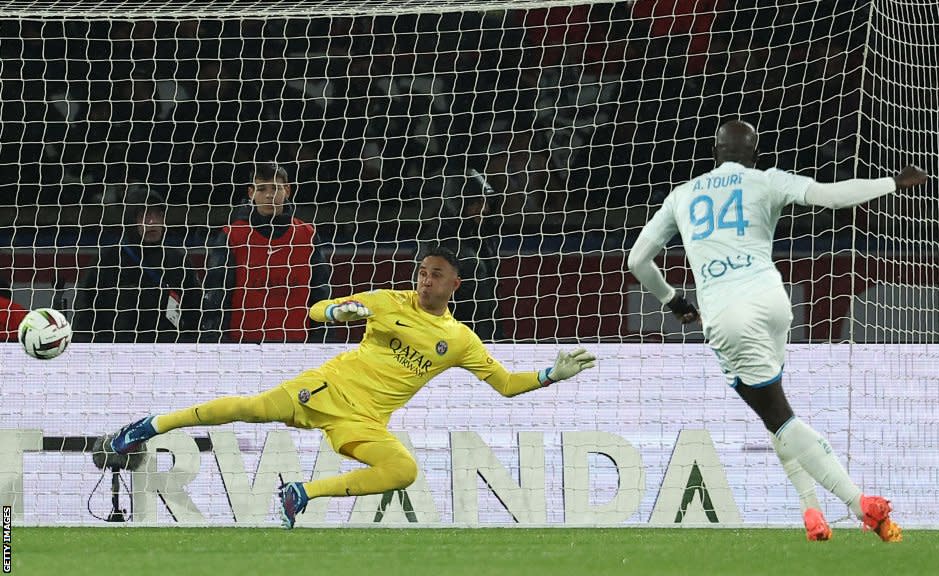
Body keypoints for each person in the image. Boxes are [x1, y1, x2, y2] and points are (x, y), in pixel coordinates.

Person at [108, 246, 597, 528]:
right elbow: (314, 310)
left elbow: (506, 384)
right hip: (327, 387)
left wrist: (551, 375)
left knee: (402, 469)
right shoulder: (387, 301)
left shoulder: (460, 339)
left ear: (455, 285)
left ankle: (300, 493)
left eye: (437, 276)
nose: (426, 281)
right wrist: (339, 311)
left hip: (363, 421)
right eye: (423, 273)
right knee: (252, 408)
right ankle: (149, 425)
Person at [627, 120, 927, 542]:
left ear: (714, 151)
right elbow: (829, 196)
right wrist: (891, 182)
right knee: (775, 412)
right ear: (754, 153)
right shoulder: (767, 180)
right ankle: (811, 511)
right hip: (773, 300)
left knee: (778, 415)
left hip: (727, 313)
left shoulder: (682, 195)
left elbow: (638, 261)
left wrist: (674, 300)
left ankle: (860, 503)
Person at [200, 162, 331, 343]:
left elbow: (320, 292)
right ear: (251, 193)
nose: (269, 195)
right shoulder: (231, 236)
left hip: (298, 346)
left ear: (287, 190)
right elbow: (216, 295)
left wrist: (322, 339)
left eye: (276, 188)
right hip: (243, 346)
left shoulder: (307, 234)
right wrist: (215, 341)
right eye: (261, 189)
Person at [73, 188, 202, 343]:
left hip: (167, 354)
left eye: (158, 215)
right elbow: (84, 315)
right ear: (131, 219)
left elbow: (195, 314)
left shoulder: (178, 261)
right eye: (145, 215)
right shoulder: (107, 261)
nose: (153, 222)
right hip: (116, 354)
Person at [421, 168, 504, 340]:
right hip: (447, 339)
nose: (485, 209)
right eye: (477, 203)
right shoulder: (435, 244)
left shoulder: (480, 239)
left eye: (486, 202)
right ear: (459, 203)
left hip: (480, 337)